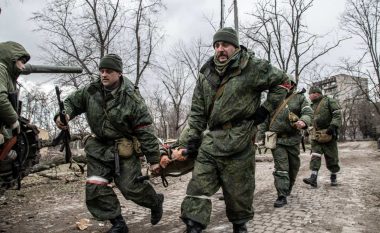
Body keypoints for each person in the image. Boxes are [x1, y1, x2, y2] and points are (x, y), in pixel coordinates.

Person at [175, 27, 289, 233]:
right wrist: (192, 140)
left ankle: (240, 225)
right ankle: (193, 226)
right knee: (198, 188)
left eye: (224, 45)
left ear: (235, 47)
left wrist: (266, 109)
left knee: (239, 196)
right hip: (211, 141)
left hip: (240, 139)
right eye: (216, 45)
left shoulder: (252, 67)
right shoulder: (205, 75)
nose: (220, 49)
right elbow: (198, 112)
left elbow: (284, 82)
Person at [55, 54, 164, 233]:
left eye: (109, 71)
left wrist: (154, 159)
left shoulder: (131, 97)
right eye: (102, 71)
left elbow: (144, 129)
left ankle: (155, 201)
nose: (104, 75)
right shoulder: (91, 90)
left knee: (130, 188)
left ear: (119, 73)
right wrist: (64, 115)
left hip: (124, 147)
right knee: (95, 186)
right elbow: (71, 103)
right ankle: (118, 224)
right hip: (99, 147)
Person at [257, 75, 313, 208]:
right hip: (277, 140)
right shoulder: (273, 99)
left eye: (288, 83)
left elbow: (307, 111)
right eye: (282, 83)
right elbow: (264, 120)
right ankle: (281, 194)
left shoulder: (299, 98)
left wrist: (303, 121)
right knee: (281, 168)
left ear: (292, 85)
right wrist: (260, 137)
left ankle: (287, 188)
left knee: (294, 167)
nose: (285, 85)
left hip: (293, 138)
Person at [303, 86, 342, 187]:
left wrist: (333, 126)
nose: (309, 96)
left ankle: (333, 176)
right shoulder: (310, 105)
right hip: (316, 135)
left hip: (328, 133)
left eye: (310, 94)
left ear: (316, 93)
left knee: (332, 157)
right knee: (315, 155)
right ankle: (313, 178)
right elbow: (310, 119)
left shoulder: (329, 101)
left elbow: (337, 114)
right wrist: (306, 131)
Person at [0, 41, 30, 147]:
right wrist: (13, 119)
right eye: (21, 62)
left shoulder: (8, 75)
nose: (23, 67)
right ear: (13, 59)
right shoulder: (1, 70)